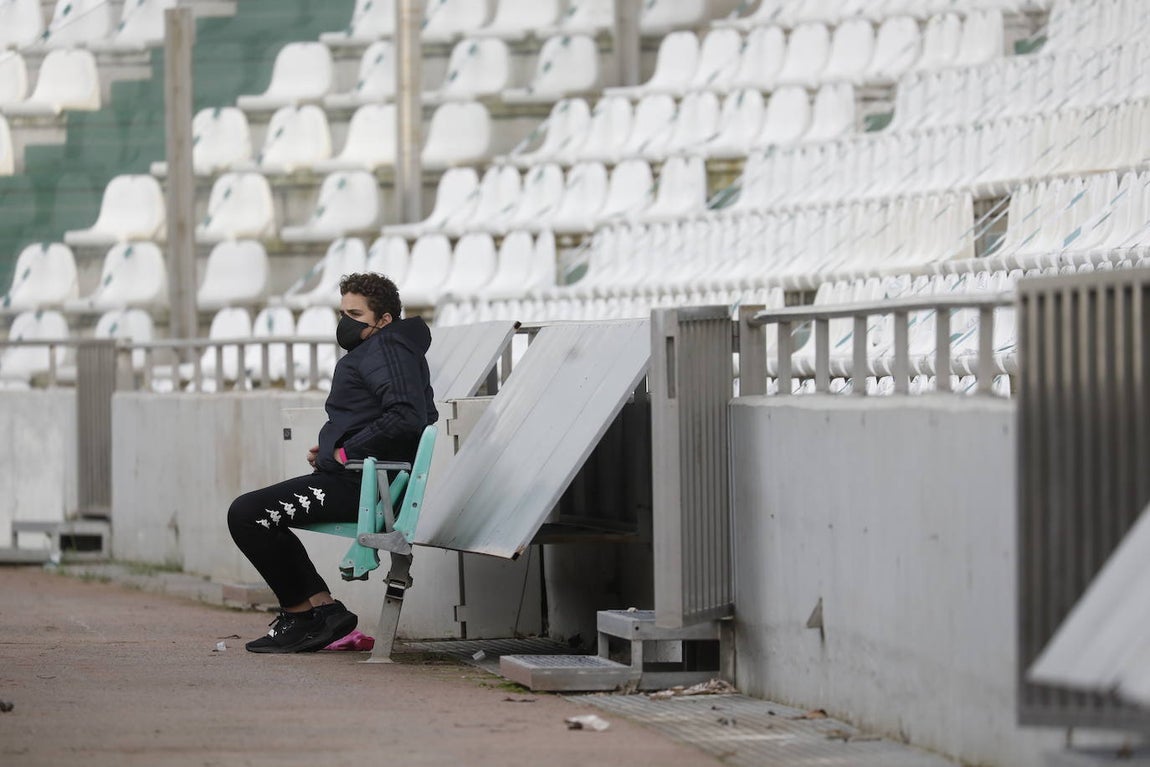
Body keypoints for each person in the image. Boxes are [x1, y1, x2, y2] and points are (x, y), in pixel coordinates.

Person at [228, 273, 438, 653]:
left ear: (384, 319)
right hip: (359, 477)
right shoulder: (383, 349)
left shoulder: (387, 349)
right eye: (342, 312)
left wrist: (344, 453)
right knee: (262, 518)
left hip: (363, 485)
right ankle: (323, 613)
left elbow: (408, 415)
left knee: (247, 514)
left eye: (356, 313)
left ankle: (303, 617)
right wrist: (331, 449)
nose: (346, 322)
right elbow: (375, 415)